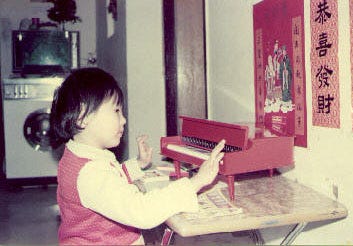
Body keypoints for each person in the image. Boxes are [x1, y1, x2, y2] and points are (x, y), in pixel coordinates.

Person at [50, 67, 225, 245]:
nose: (124, 119)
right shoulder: (90, 173)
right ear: (82, 116)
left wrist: (137, 165)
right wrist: (196, 182)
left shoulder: (79, 156)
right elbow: (142, 211)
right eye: (116, 110)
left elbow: (110, 183)